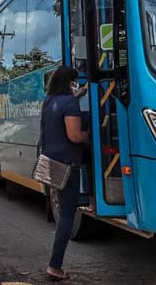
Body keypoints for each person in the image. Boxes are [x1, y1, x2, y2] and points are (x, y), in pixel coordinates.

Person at [40, 65, 89, 282]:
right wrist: (90, 134)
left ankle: (93, 200)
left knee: (63, 210)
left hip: (51, 163)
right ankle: (54, 266)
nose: (75, 85)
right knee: (67, 216)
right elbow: (75, 136)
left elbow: (60, 113)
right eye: (74, 81)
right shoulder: (70, 104)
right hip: (67, 165)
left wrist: (77, 96)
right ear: (68, 82)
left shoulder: (48, 101)